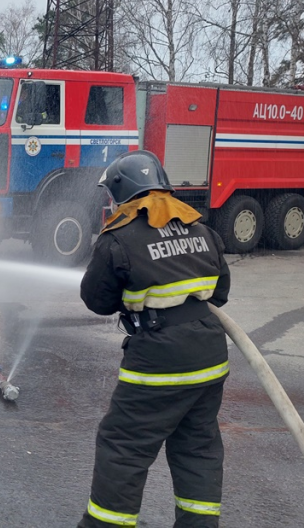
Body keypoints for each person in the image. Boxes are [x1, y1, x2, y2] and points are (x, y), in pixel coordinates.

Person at [77, 150, 231, 528]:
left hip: (159, 360)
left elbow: (96, 300)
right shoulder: (201, 230)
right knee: (198, 448)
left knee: (124, 447)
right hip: (211, 356)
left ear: (121, 192)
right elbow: (220, 292)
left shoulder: (119, 237)